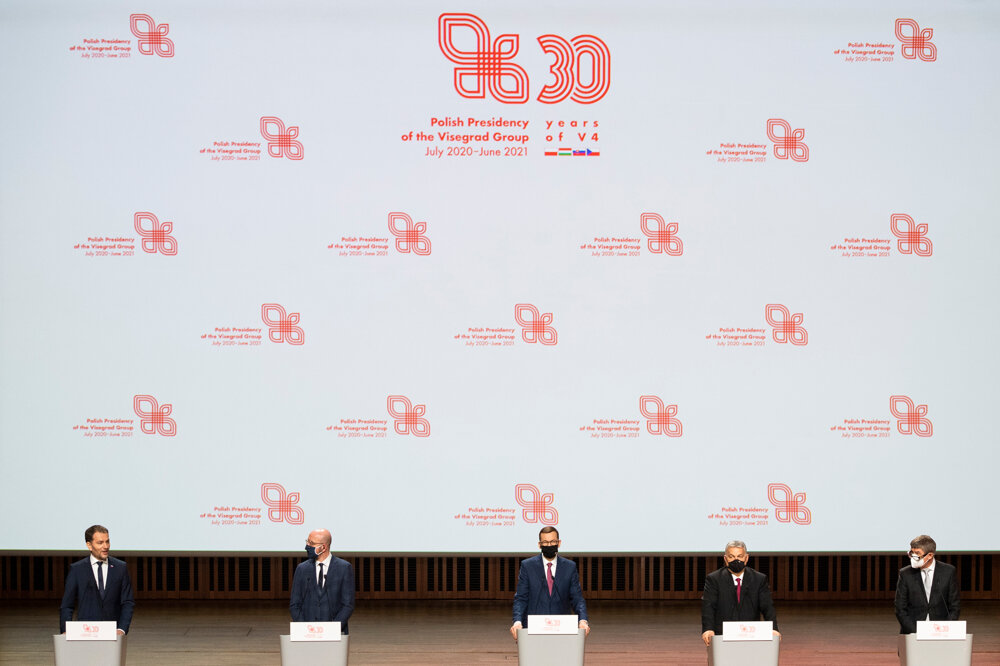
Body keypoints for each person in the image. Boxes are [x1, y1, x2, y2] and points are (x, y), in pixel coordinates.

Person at [510, 526, 590, 640]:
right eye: (545, 542)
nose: (549, 545)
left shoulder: (569, 567)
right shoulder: (528, 566)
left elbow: (577, 598)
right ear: (539, 544)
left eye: (553, 541)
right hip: (533, 629)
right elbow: (521, 598)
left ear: (559, 543)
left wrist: (583, 620)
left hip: (562, 629)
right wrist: (517, 621)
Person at [59, 525, 135, 635]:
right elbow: (67, 605)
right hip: (85, 633)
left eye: (107, 542)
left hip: (112, 634)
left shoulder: (120, 568)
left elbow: (128, 602)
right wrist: (66, 630)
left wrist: (122, 629)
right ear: (89, 545)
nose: (106, 546)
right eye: (100, 543)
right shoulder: (77, 569)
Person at [701, 539, 779, 646]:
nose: (736, 560)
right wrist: (708, 629)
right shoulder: (714, 579)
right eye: (731, 557)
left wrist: (773, 629)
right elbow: (708, 607)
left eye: (740, 556)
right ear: (725, 559)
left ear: (746, 558)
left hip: (751, 634)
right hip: (722, 635)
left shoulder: (759, 579)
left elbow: (767, 607)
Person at [290, 528, 355, 633]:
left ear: (323, 547)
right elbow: (295, 604)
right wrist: (304, 628)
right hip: (307, 632)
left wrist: (332, 630)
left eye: (311, 543)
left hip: (335, 633)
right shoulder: (302, 569)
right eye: (307, 541)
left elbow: (348, 605)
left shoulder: (344, 568)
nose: (307, 546)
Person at [894, 534, 960, 634]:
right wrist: (915, 632)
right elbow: (900, 609)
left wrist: (945, 630)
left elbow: (954, 607)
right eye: (911, 553)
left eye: (917, 553)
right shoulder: (905, 574)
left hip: (941, 633)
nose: (913, 557)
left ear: (930, 555)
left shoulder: (948, 572)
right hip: (912, 633)